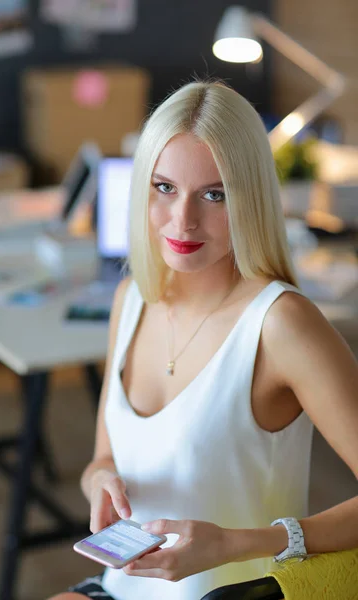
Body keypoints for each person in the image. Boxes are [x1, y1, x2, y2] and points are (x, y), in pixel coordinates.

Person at [50, 81, 358, 600]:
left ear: (251, 196)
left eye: (214, 194)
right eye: (164, 187)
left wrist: (236, 544)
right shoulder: (132, 299)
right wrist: (100, 482)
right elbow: (102, 459)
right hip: (122, 587)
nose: (183, 220)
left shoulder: (282, 324)